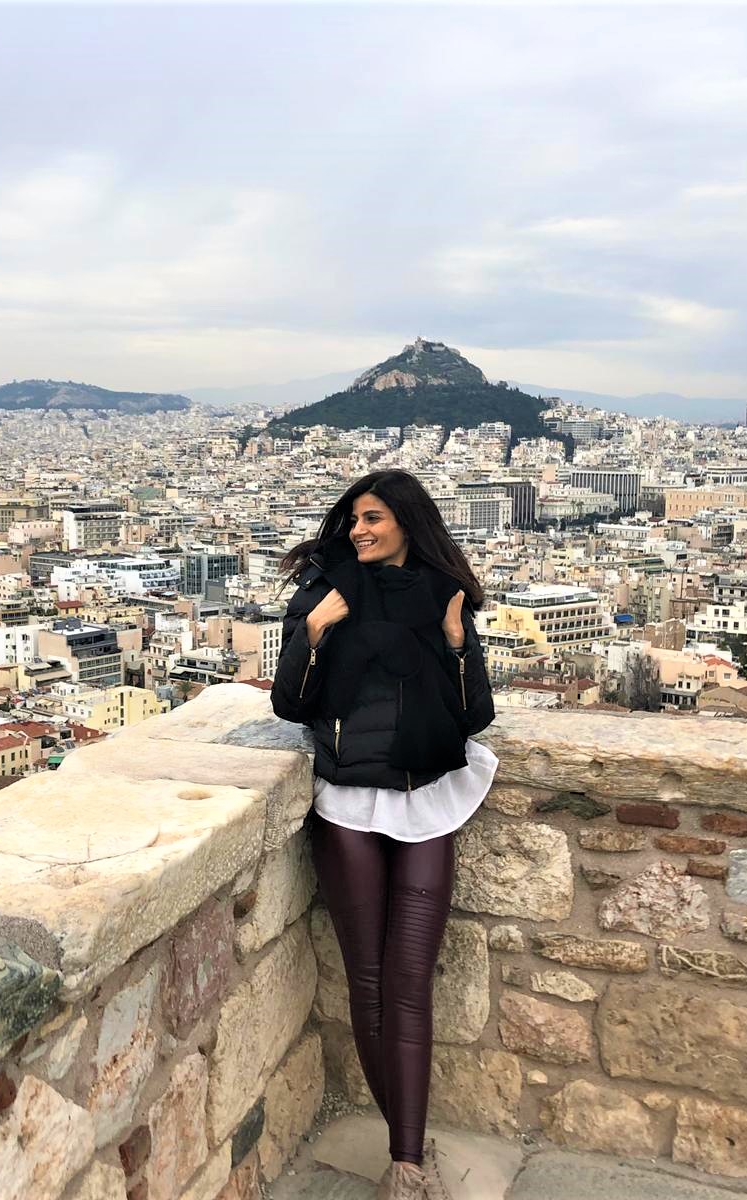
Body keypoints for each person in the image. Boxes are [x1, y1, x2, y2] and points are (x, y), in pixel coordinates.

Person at [270, 469, 496, 1200]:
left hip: (425, 797)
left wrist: (457, 645)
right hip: (347, 801)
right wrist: (313, 633)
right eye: (354, 519)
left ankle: (407, 1150)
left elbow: (475, 716)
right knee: (368, 980)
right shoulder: (325, 592)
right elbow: (289, 703)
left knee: (408, 980)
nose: (359, 530)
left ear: (406, 523)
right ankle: (407, 1161)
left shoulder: (443, 597)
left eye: (373, 518)